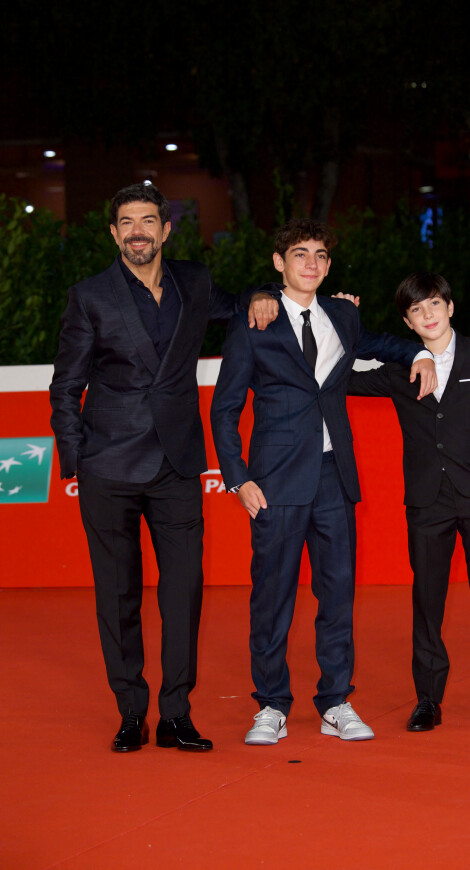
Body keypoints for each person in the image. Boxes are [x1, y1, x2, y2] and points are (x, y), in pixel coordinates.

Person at [49, 183, 278, 753]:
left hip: (177, 466)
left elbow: (242, 301)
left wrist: (266, 294)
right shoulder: (90, 296)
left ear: (166, 229)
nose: (137, 232)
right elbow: (65, 388)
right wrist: (78, 460)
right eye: (126, 222)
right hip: (109, 466)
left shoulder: (194, 282)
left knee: (184, 593)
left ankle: (176, 713)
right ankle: (132, 712)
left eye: (147, 221)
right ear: (113, 232)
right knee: (118, 594)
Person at [210, 219, 437, 745]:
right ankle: (271, 704)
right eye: (299, 254)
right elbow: (225, 409)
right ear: (279, 262)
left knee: (337, 596)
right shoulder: (254, 323)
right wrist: (238, 479)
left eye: (319, 256)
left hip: (335, 478)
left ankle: (336, 700)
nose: (310, 263)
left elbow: (385, 343)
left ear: (328, 266)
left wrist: (421, 353)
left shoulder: (342, 314)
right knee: (272, 599)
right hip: (274, 482)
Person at [349, 273, 470, 731]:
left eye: (434, 304)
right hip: (427, 502)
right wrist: (344, 319)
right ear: (408, 322)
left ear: (450, 307)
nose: (428, 315)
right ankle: (428, 699)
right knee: (427, 601)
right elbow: (340, 377)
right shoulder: (399, 368)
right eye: (416, 310)